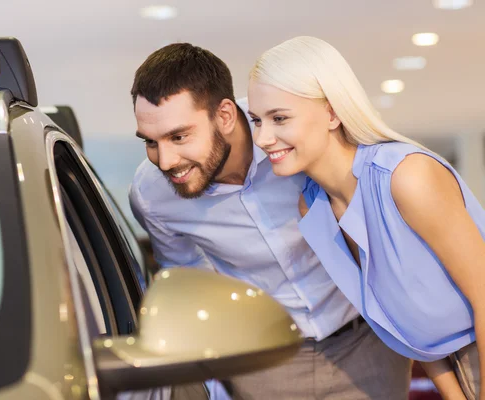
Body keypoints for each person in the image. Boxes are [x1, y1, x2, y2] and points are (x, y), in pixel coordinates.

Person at [129, 42, 411, 399]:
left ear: (226, 116)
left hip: (366, 343)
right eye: (150, 142)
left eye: (179, 136)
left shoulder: (291, 134)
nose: (166, 160)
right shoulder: (151, 194)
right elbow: (187, 278)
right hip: (262, 363)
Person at [248, 35, 485, 400]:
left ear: (331, 112)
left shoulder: (406, 177)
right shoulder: (312, 209)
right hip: (453, 366)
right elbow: (401, 321)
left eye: (279, 118)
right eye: (257, 120)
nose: (263, 138)